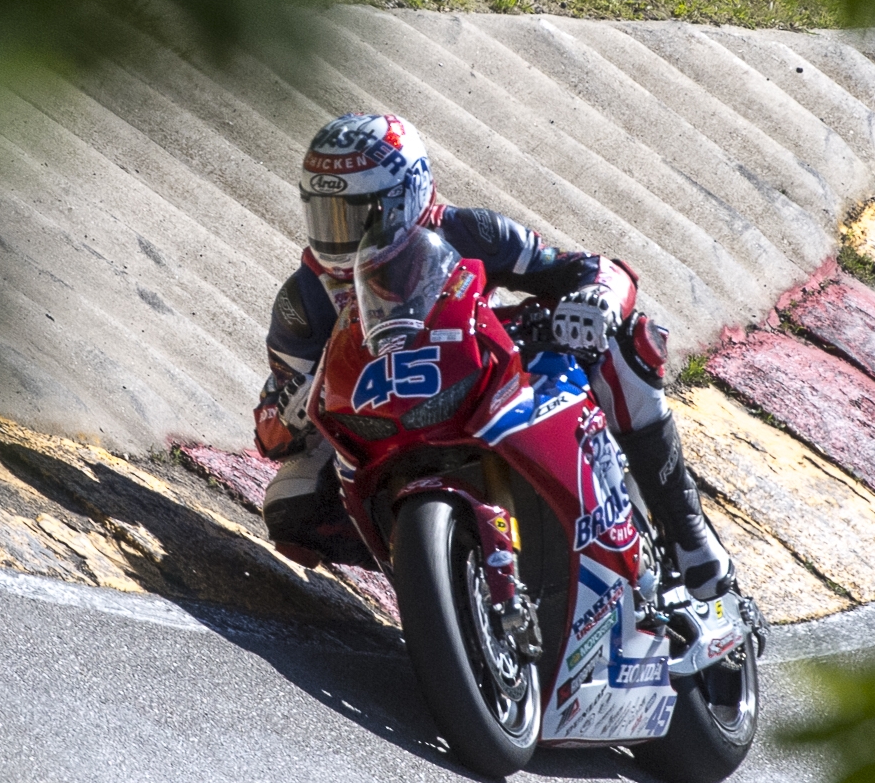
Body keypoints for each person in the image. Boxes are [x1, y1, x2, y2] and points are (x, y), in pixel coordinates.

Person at [253, 111, 734, 594]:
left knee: (622, 339)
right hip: (386, 423)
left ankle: (686, 530)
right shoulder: (304, 300)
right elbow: (270, 424)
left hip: (488, 381)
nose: (341, 234)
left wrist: (596, 301)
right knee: (289, 502)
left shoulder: (472, 231)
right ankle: (442, 573)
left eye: (360, 216)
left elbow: (585, 269)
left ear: (409, 194)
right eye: (327, 215)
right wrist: (288, 409)